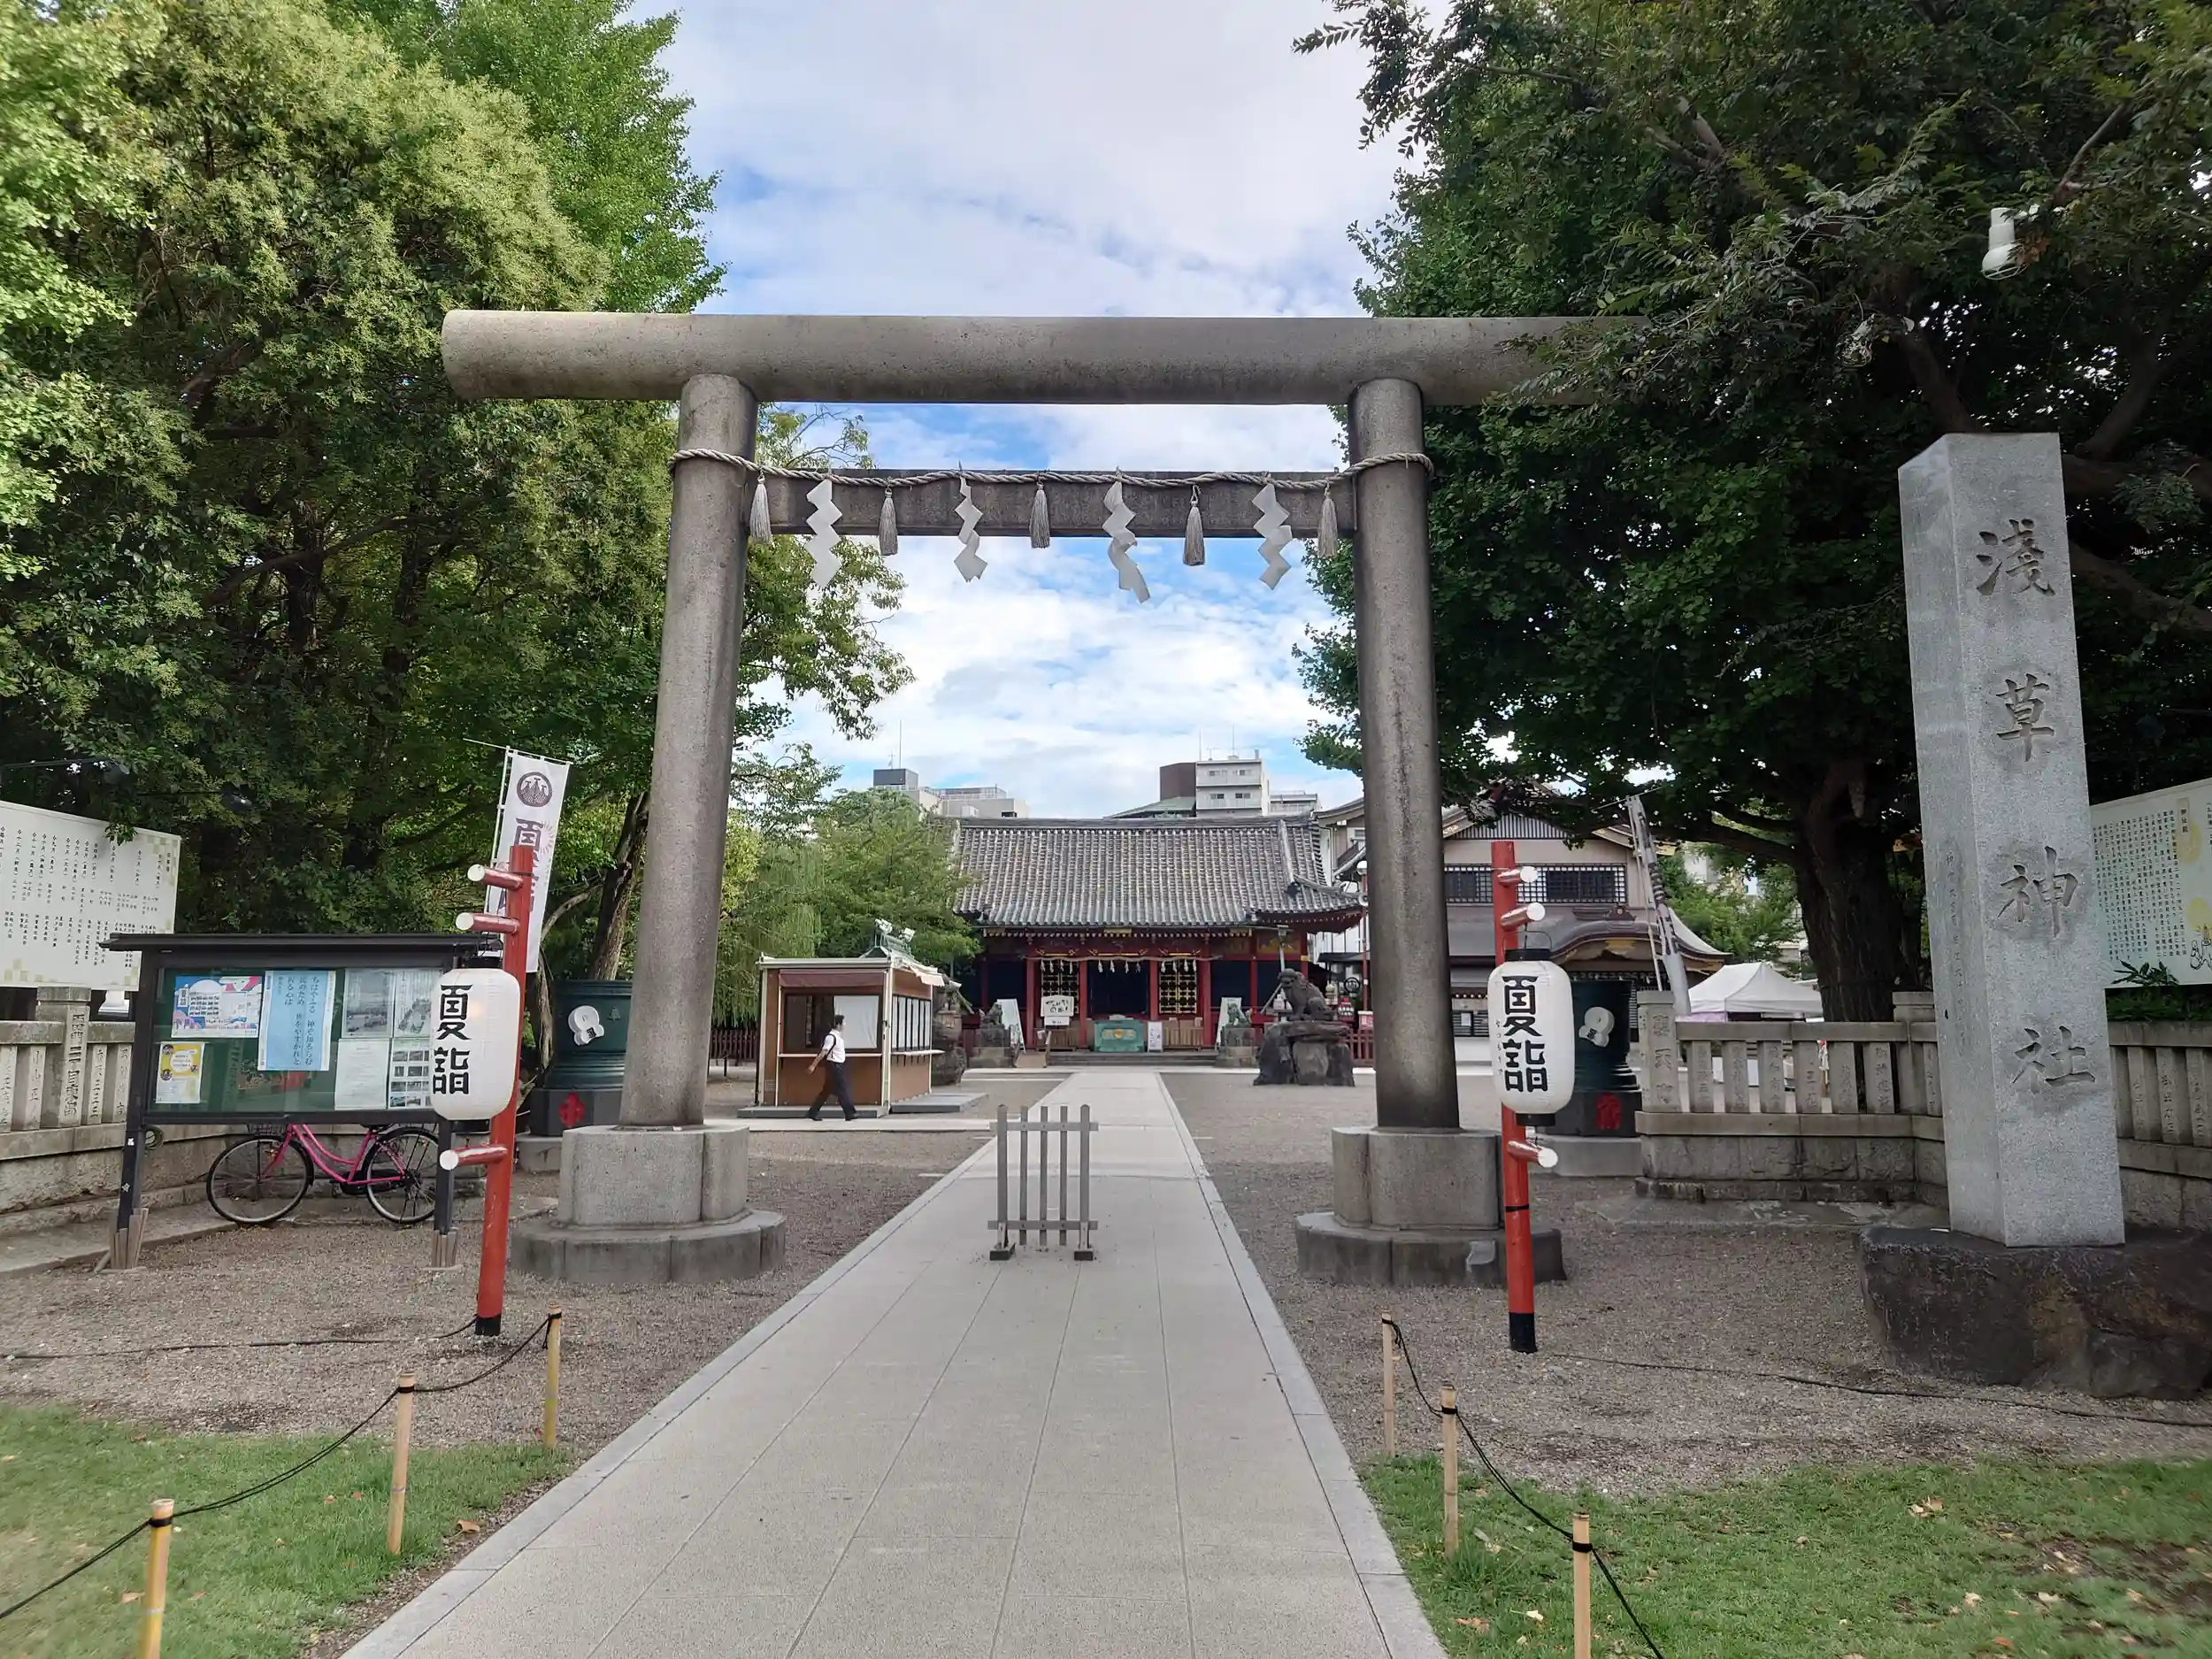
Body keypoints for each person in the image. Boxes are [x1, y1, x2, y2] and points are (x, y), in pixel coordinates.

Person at [807, 1012, 856, 1121]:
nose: (845, 1025)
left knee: (826, 1091)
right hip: (834, 1067)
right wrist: (813, 1065)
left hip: (837, 1066)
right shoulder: (831, 1037)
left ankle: (812, 1112)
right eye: (843, 1023)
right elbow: (823, 1052)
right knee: (842, 1089)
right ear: (838, 1025)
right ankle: (850, 1113)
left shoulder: (838, 1037)